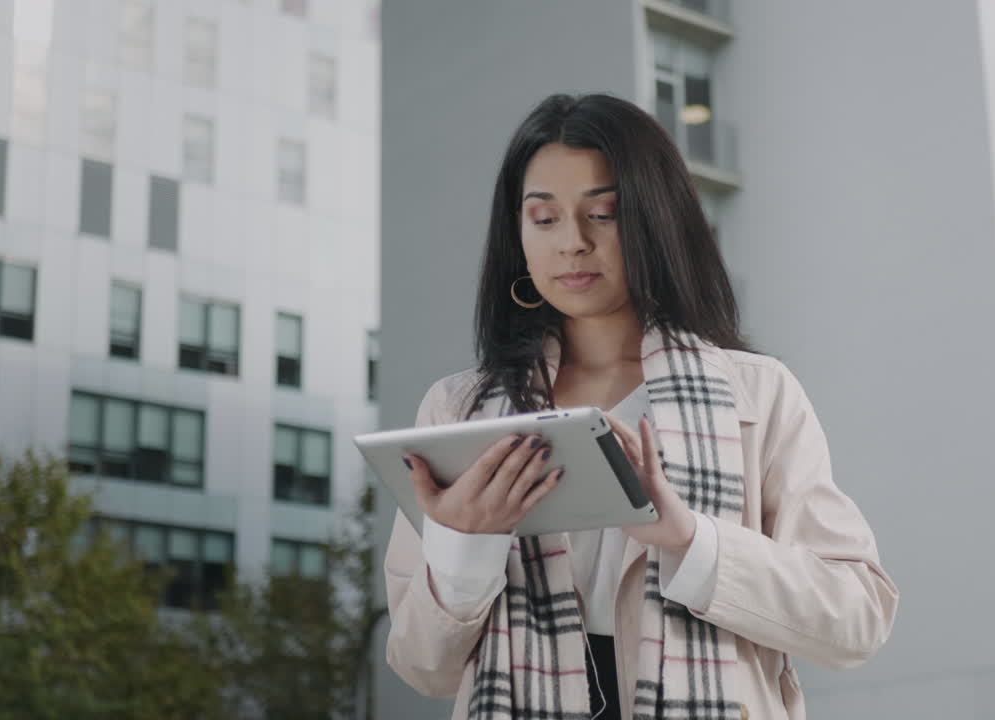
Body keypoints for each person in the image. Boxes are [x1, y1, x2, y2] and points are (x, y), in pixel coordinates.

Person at [383, 93, 898, 720]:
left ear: (655, 221)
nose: (573, 243)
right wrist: (466, 547)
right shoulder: (460, 409)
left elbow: (857, 617)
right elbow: (421, 667)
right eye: (543, 219)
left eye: (603, 214)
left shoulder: (756, 394)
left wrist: (691, 541)